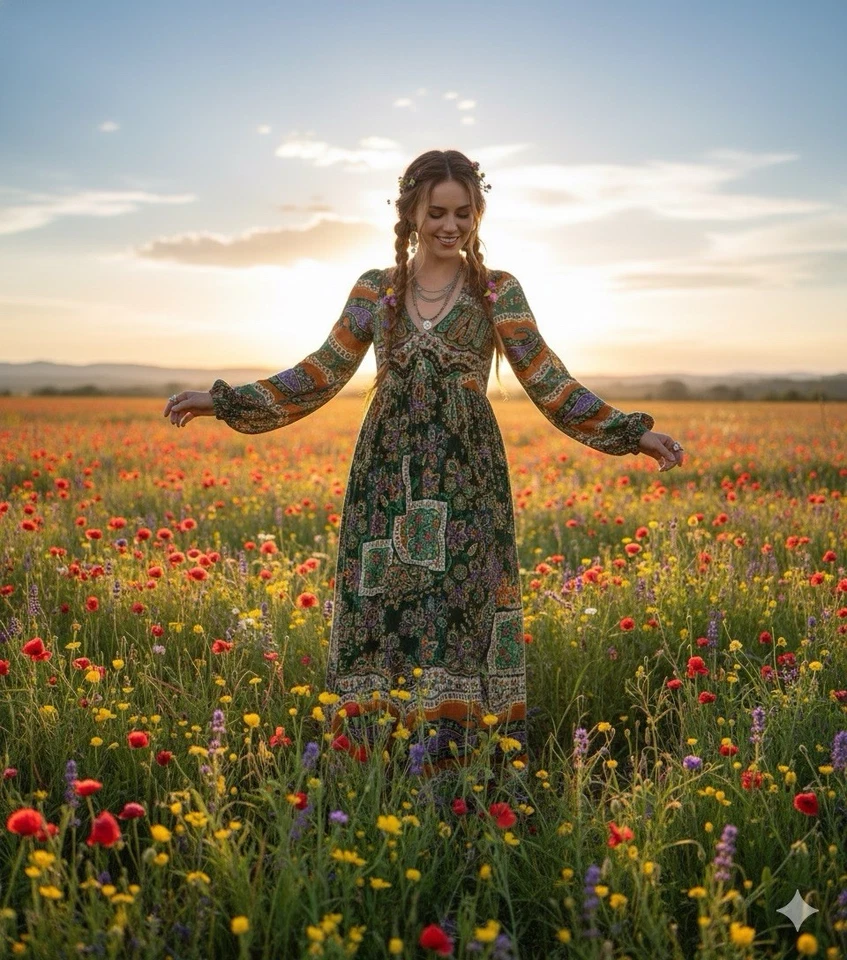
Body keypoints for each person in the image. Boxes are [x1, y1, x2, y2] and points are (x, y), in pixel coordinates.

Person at [163, 149, 684, 780]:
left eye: (464, 213)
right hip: (387, 479)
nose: (450, 225)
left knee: (460, 618)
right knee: (381, 615)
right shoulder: (376, 289)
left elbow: (548, 379)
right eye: (436, 212)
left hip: (467, 485)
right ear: (409, 211)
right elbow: (320, 371)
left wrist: (632, 434)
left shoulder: (497, 290)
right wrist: (225, 402)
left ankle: (463, 777)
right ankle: (377, 770)